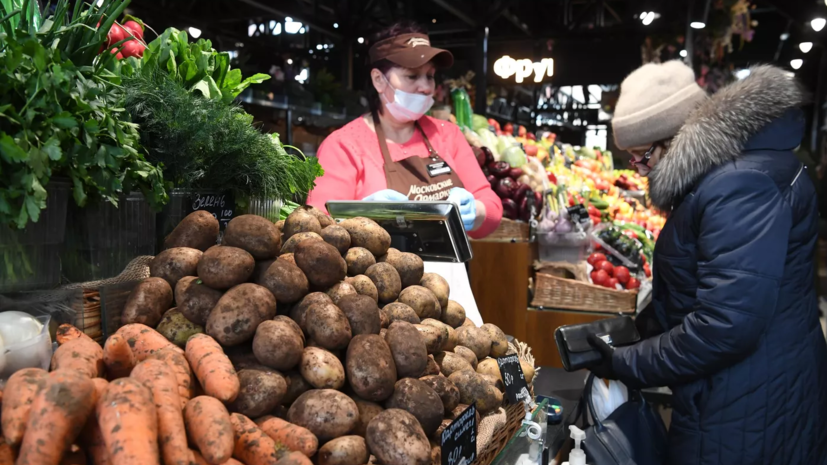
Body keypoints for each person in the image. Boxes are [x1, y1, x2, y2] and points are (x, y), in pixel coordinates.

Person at [590, 61, 827, 464]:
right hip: (753, 387)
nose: (641, 170)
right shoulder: (727, 173)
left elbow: (727, 325)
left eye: (643, 156)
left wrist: (630, 361)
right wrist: (638, 332)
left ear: (677, 137)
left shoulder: (739, 184)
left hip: (749, 405)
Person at [306, 22, 503, 324]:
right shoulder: (344, 145)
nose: (426, 86)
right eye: (412, 75)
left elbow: (491, 208)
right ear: (378, 79)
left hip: (452, 306)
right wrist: (357, 217)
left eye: (430, 76)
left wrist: (474, 211)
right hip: (376, 309)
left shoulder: (446, 135)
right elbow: (315, 230)